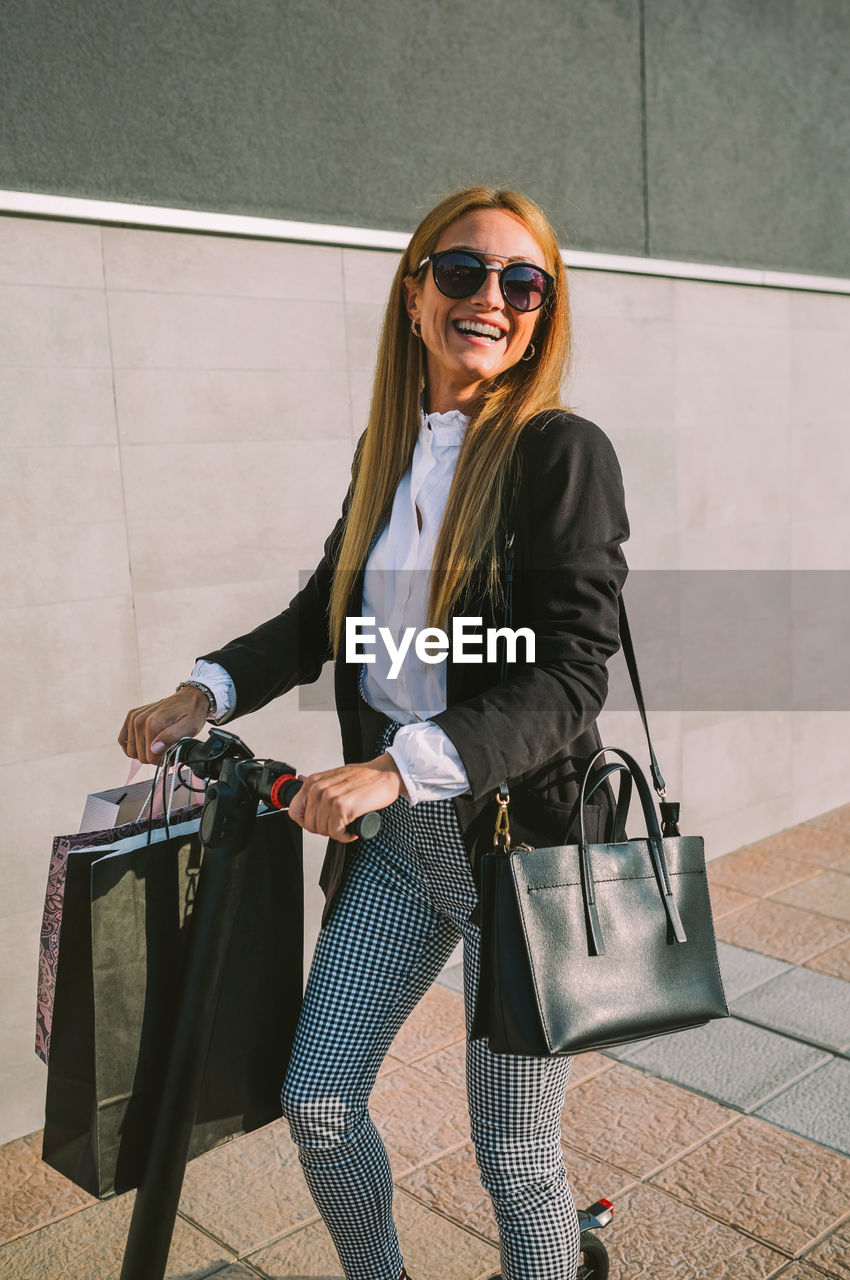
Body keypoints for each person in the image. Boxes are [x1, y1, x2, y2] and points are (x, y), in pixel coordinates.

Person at [119, 185, 629, 1280]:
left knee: (513, 1154)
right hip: (400, 852)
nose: (490, 297)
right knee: (319, 1100)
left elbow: (572, 672)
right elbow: (320, 617)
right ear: (414, 294)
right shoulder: (388, 450)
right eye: (462, 271)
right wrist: (203, 688)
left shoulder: (559, 453)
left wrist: (398, 768)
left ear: (542, 310)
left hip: (513, 856)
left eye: (520, 281)